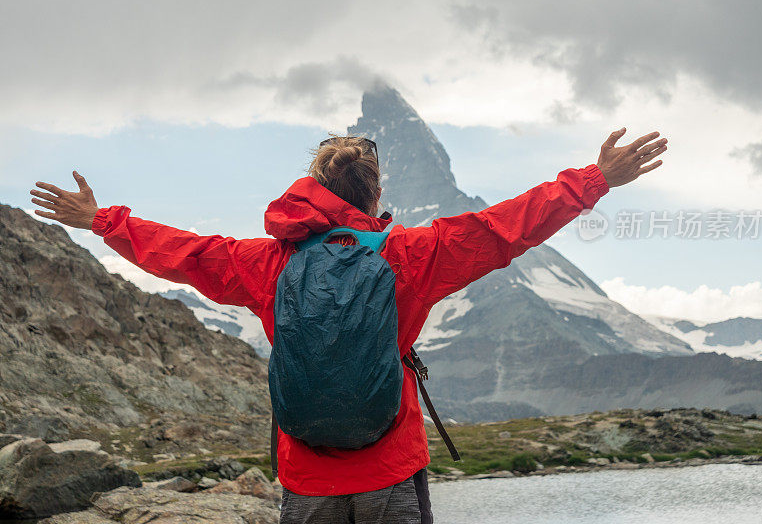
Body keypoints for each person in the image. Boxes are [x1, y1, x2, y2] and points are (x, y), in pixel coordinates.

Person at [30, 127, 667, 523]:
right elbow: (504, 228)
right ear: (372, 193)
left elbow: (183, 253)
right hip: (390, 467)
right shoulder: (410, 255)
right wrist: (595, 180)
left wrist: (101, 219)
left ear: (312, 187)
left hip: (306, 475)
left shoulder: (265, 262)